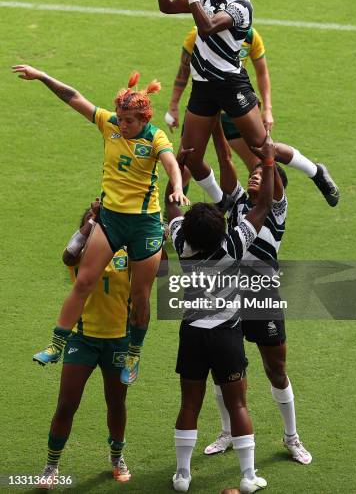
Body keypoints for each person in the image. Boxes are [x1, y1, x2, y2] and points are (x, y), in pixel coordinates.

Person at [12, 64, 188, 385]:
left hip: (145, 225)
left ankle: (133, 353)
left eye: (129, 120)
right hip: (110, 220)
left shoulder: (156, 137)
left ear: (144, 119)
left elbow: (170, 162)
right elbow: (74, 97)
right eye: (120, 118)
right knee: (84, 281)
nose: (122, 124)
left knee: (140, 296)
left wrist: (176, 187)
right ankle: (57, 343)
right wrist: (42, 76)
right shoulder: (109, 124)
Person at [165, 137, 277, 494]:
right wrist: (269, 163)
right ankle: (247, 477)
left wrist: (179, 168)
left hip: (193, 332)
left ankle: (182, 475)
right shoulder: (233, 245)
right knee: (238, 403)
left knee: (190, 403)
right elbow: (260, 208)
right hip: (227, 333)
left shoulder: (182, 244)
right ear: (219, 228)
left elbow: (172, 208)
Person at [203, 120, 312, 465]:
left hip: (262, 298)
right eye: (254, 173)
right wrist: (213, 122)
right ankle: (228, 433)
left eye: (262, 174)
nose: (255, 175)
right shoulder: (235, 204)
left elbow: (269, 170)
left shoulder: (276, 210)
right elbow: (224, 158)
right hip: (226, 299)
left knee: (276, 370)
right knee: (224, 371)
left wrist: (267, 160)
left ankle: (291, 437)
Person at [150, 0, 269, 206]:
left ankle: (312, 170)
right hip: (203, 87)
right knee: (190, 155)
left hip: (231, 86)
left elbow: (207, 27)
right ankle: (224, 200)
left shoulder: (241, 7)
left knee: (262, 147)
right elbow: (167, 5)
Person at [166, 26, 340, 206]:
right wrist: (173, 106)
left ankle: (315, 172)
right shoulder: (196, 34)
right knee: (187, 162)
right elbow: (184, 70)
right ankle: (176, 214)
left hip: (233, 107)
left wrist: (268, 109)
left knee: (261, 157)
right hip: (203, 105)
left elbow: (262, 72)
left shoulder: (248, 35)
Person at [38, 202, 132, 488]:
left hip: (118, 340)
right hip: (83, 338)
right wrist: (92, 221)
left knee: (116, 403)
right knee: (67, 404)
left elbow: (159, 268)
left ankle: (117, 457)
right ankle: (50, 466)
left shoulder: (127, 253)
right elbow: (67, 255)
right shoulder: (80, 256)